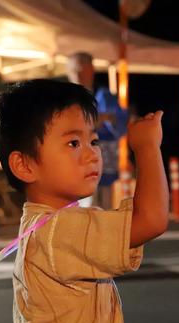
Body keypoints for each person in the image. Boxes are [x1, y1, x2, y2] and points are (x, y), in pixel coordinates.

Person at [0, 79, 168, 323]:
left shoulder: (56, 226)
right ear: (25, 165)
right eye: (73, 142)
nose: (92, 152)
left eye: (93, 140)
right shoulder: (57, 231)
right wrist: (148, 148)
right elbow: (152, 220)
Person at [67, 52, 128, 210]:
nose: (78, 74)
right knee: (81, 215)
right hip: (75, 168)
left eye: (82, 69)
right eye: (74, 70)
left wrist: (106, 119)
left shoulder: (104, 96)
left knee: (103, 214)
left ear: (91, 70)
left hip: (103, 167)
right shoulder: (65, 101)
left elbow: (120, 123)